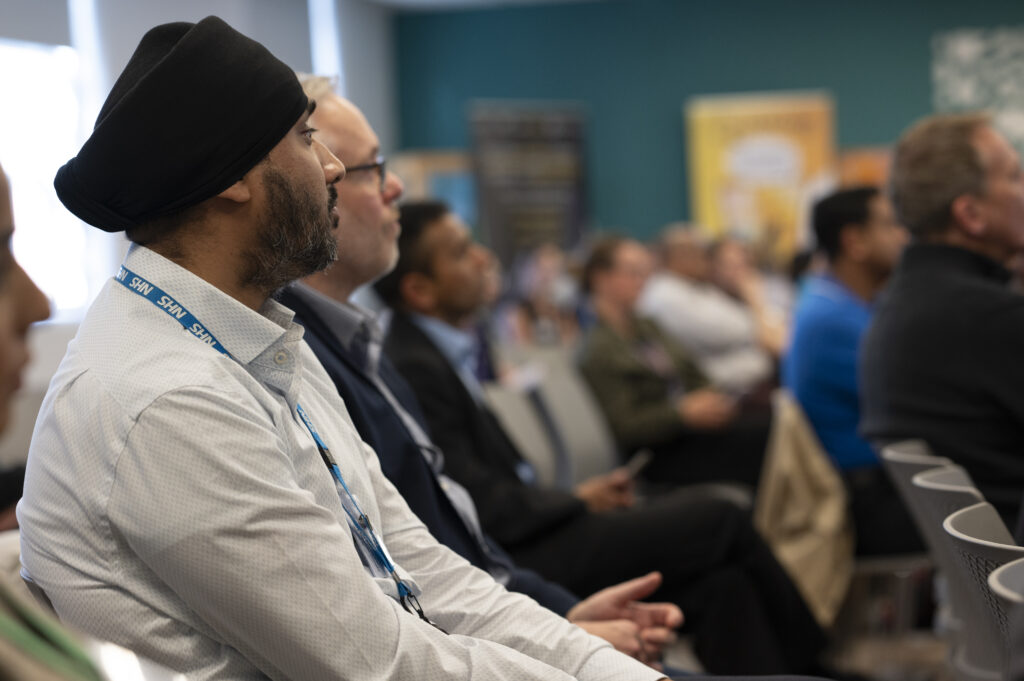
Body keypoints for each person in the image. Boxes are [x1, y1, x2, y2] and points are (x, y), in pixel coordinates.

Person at [16, 17, 669, 681]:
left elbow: (427, 570)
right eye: (306, 138)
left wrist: (609, 669)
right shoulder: (166, 399)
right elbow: (377, 666)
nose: (332, 166)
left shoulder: (260, 338)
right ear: (232, 176)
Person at [278, 79, 679, 667]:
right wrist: (565, 640)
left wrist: (562, 620)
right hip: (485, 643)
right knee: (720, 521)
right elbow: (399, 597)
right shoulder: (300, 356)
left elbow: (440, 548)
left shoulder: (360, 346)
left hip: (504, 612)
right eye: (370, 169)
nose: (395, 187)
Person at [374, 200, 829, 675]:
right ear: (420, 289)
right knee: (723, 516)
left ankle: (799, 669)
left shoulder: (445, 350)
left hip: (537, 524)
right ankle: (820, 658)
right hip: (523, 550)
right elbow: (478, 502)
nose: (484, 258)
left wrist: (574, 496)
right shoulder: (415, 364)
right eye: (462, 252)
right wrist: (572, 501)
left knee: (723, 584)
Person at [860, 112, 1024, 526]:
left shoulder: (905, 300)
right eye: (1015, 176)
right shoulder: (986, 317)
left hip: (982, 553)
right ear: (971, 214)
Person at [783, 187, 918, 556]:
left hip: (874, 483)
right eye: (889, 225)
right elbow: (913, 402)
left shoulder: (835, 300)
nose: (902, 237)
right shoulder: (832, 319)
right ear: (854, 241)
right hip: (866, 500)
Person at [578, 236, 770, 490]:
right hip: (656, 453)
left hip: (686, 431)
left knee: (766, 420)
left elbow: (691, 370)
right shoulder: (597, 348)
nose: (642, 280)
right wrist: (681, 413)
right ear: (601, 278)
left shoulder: (646, 326)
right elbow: (623, 425)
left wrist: (710, 399)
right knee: (763, 437)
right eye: (633, 272)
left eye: (645, 272)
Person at [638, 229, 775, 395]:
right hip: (704, 390)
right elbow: (735, 332)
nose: (704, 259)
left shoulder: (694, 286)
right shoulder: (666, 294)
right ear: (679, 256)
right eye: (698, 252)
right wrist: (755, 303)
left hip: (736, 384)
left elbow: (754, 329)